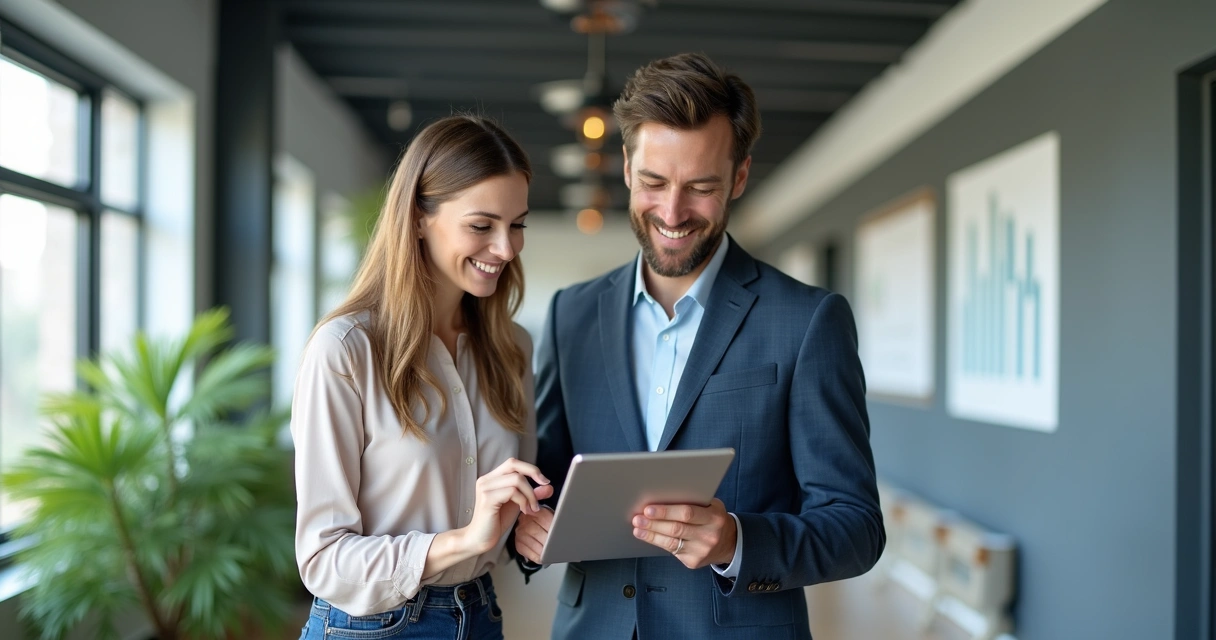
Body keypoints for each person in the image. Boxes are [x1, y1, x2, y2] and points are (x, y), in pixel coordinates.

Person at [512, 53, 885, 640]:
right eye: (655, 182)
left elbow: (857, 528)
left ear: (738, 178)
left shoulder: (809, 320)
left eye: (701, 187)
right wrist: (530, 528)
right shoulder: (571, 314)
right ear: (628, 168)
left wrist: (738, 541)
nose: (673, 211)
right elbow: (549, 480)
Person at [291, 115, 551, 640]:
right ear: (416, 218)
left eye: (517, 224)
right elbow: (323, 558)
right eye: (482, 226)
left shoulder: (512, 347)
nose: (506, 248)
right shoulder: (346, 351)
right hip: (369, 628)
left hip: (479, 615)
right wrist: (464, 540)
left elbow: (509, 510)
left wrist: (528, 528)